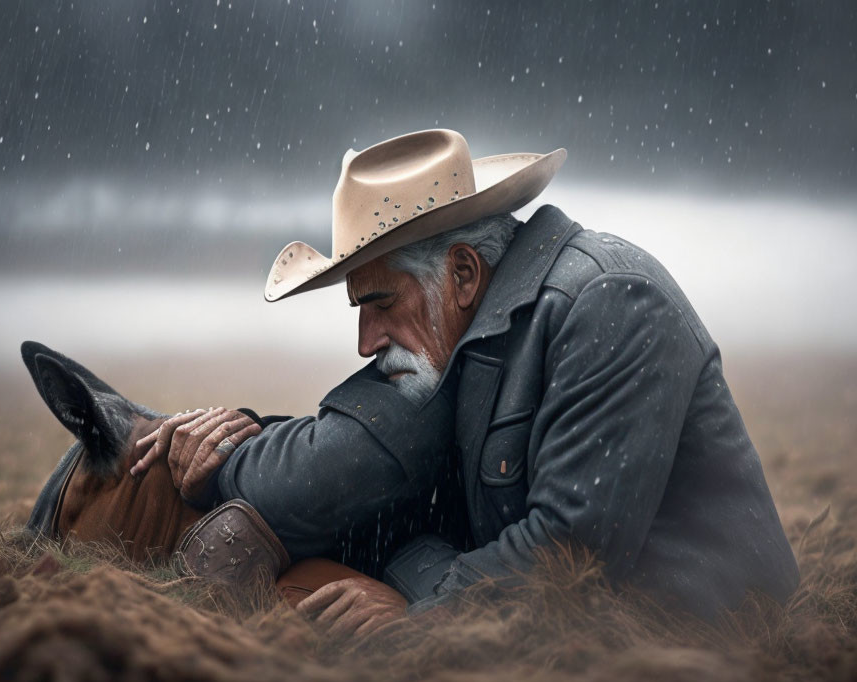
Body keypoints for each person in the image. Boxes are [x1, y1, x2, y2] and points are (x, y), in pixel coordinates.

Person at [131, 129, 799, 635]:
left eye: (382, 303)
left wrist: (420, 614)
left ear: (463, 274)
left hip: (716, 647)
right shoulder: (472, 339)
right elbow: (364, 465)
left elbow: (570, 552)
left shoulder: (608, 301)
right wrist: (235, 445)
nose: (365, 342)